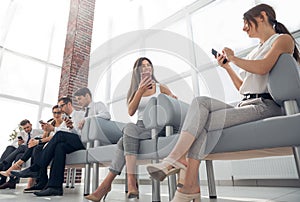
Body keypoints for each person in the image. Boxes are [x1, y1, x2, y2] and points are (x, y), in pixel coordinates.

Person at [146, 3, 300, 202]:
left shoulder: (282, 40)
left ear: (262, 16)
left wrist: (234, 58)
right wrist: (228, 67)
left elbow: (263, 68)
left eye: (246, 23)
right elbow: (244, 87)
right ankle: (180, 170)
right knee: (200, 103)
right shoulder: (256, 51)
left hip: (266, 105)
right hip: (247, 103)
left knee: (205, 122)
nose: (244, 28)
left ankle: (185, 181)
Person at [85, 57, 177, 202]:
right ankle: (124, 182)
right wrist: (140, 90)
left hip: (157, 126)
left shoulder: (161, 87)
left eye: (148, 65)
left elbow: (172, 105)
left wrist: (172, 98)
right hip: (141, 127)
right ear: (137, 72)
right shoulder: (135, 91)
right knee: (129, 131)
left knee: (125, 136)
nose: (147, 68)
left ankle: (113, 184)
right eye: (143, 67)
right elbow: (131, 112)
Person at [11, 96, 85, 196]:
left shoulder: (80, 114)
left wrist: (58, 129)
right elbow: (66, 133)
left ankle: (36, 167)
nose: (60, 109)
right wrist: (70, 128)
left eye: (61, 106)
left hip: (81, 141)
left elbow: (78, 134)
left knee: (59, 135)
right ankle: (54, 187)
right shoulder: (65, 120)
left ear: (69, 104)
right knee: (60, 147)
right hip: (69, 143)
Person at [0, 105, 64, 192]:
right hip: (31, 149)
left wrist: (37, 141)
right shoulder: (50, 124)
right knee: (16, 149)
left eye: (58, 113)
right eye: (54, 113)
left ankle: (10, 168)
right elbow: (44, 137)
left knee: (32, 144)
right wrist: (46, 131)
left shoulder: (63, 125)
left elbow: (55, 137)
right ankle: (11, 177)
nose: (56, 115)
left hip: (43, 146)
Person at [0, 119, 43, 189]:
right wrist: (19, 143)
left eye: (28, 127)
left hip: (32, 150)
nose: (26, 129)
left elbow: (44, 138)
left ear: (31, 125)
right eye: (25, 128)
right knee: (14, 151)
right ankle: (11, 181)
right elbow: (14, 144)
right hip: (23, 152)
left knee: (22, 147)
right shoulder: (21, 133)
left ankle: (3, 164)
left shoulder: (38, 131)